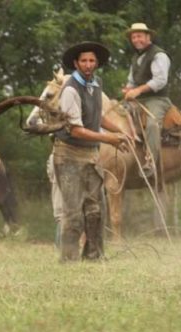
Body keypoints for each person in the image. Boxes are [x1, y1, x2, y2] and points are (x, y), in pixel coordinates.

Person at [52, 42, 129, 262]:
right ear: (76, 63)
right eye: (83, 61)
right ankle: (69, 259)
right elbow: (76, 130)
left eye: (92, 61)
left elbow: (97, 117)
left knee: (96, 208)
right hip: (68, 155)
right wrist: (111, 139)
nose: (88, 65)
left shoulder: (96, 84)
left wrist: (122, 131)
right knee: (73, 211)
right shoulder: (70, 90)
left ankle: (95, 255)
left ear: (97, 63)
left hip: (90, 154)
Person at [121, 23, 172, 178]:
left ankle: (151, 162)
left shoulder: (159, 55)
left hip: (157, 99)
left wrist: (138, 90)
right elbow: (132, 80)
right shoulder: (136, 57)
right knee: (117, 113)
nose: (136, 39)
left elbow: (160, 80)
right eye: (134, 37)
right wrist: (128, 89)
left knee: (151, 124)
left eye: (139, 36)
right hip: (139, 100)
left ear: (148, 37)